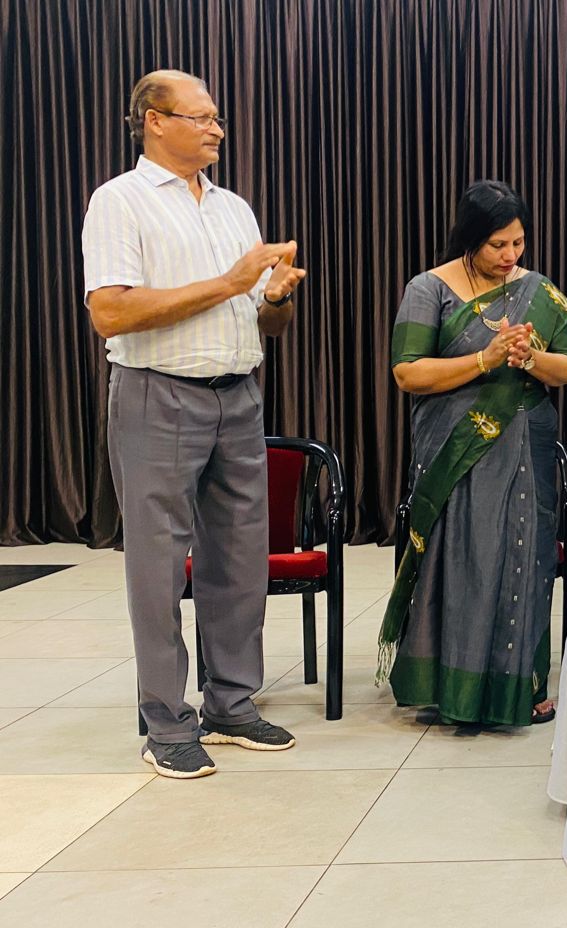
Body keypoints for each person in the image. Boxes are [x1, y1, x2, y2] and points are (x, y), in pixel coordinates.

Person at [82, 69, 306, 779]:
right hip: (157, 395)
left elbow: (263, 321)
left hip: (237, 394)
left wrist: (274, 299)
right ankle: (166, 723)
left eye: (217, 118)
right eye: (201, 117)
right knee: (157, 566)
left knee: (239, 560)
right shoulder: (120, 201)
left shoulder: (234, 208)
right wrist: (230, 284)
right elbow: (110, 312)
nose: (216, 129)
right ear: (155, 120)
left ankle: (231, 704)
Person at [379, 181, 567, 727]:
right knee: (464, 557)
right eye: (497, 245)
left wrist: (530, 358)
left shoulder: (539, 290)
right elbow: (407, 373)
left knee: (524, 558)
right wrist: (485, 360)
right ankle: (453, 691)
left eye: (518, 242)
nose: (511, 255)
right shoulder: (429, 288)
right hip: (457, 449)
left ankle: (522, 689)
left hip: (526, 446)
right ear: (470, 239)